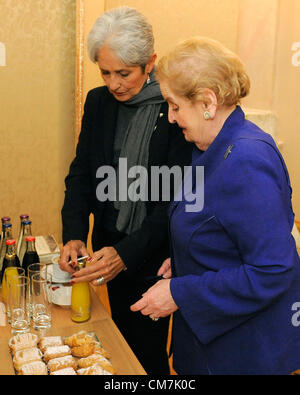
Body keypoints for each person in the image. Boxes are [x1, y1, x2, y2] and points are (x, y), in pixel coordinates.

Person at [130, 36, 300, 375]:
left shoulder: (247, 159)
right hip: (215, 343)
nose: (171, 117)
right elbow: (223, 232)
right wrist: (186, 259)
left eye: (174, 106)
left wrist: (181, 292)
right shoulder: (215, 146)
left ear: (207, 101)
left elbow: (273, 269)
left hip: (244, 351)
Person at [59, 7, 192, 375]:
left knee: (146, 359)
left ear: (150, 62)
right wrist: (73, 234)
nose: (114, 83)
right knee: (114, 346)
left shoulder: (174, 109)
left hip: (153, 257)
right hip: (108, 247)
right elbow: (82, 174)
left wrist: (126, 253)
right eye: (105, 72)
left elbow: (174, 200)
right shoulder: (99, 102)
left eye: (124, 73)